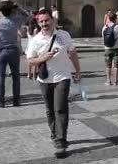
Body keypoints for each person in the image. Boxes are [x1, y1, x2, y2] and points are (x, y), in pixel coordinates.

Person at [26, 9, 81, 159]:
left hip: (62, 77)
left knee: (60, 108)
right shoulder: (36, 40)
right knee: (50, 109)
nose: (44, 24)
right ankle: (54, 132)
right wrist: (42, 58)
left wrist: (77, 70)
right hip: (44, 79)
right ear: (38, 22)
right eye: (41, 21)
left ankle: (61, 140)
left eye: (46, 20)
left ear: (53, 20)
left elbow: (73, 53)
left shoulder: (64, 36)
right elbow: (30, 60)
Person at [0, 1, 31, 108]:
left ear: (2, 12)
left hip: (0, 51)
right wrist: (18, 7)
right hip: (14, 51)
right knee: (16, 77)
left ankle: (0, 101)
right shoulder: (16, 21)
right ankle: (16, 101)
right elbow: (27, 16)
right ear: (11, 11)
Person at [102, 12, 118, 85]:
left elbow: (103, 38)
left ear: (109, 18)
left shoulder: (104, 27)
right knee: (116, 65)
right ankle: (116, 81)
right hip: (116, 48)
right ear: (115, 19)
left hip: (107, 48)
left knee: (108, 65)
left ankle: (108, 81)